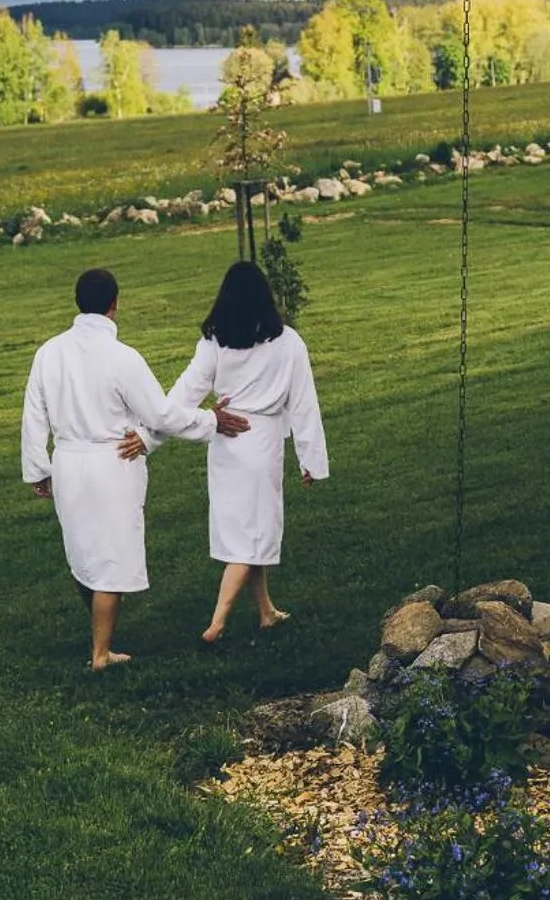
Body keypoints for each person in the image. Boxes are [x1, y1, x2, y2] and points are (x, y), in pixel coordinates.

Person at [22, 266, 248, 670]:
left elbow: (33, 415)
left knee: (83, 551)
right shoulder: (122, 358)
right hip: (113, 462)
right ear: (114, 305)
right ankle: (101, 655)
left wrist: (38, 467)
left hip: (69, 462)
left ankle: (100, 642)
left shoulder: (48, 354)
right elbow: (160, 414)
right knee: (109, 557)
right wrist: (210, 421)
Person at [161, 259, 328, 645]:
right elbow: (303, 404)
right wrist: (311, 459)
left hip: (225, 443)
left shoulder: (214, 342)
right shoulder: (288, 342)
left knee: (246, 528)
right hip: (261, 442)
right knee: (252, 536)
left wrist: (185, 421)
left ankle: (266, 610)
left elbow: (182, 395)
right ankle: (217, 622)